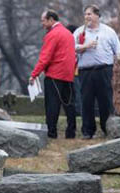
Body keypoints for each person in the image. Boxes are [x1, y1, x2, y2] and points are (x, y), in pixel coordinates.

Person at [73, 4, 120, 139]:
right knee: (86, 101)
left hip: (104, 70)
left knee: (105, 101)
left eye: (89, 14)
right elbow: (71, 48)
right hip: (85, 71)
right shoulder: (79, 32)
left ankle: (107, 128)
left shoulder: (108, 32)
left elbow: (118, 51)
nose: (86, 17)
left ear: (97, 16)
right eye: (85, 14)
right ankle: (88, 131)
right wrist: (85, 46)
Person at [30, 10, 77, 139]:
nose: (42, 24)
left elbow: (45, 58)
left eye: (43, 21)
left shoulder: (52, 34)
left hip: (55, 75)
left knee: (52, 105)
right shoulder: (68, 34)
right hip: (68, 75)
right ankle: (71, 132)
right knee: (69, 104)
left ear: (51, 20)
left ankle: (51, 133)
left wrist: (34, 74)